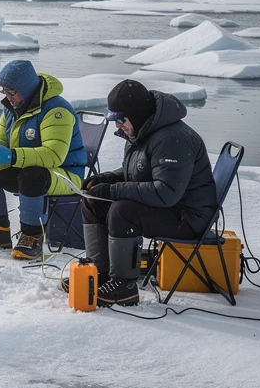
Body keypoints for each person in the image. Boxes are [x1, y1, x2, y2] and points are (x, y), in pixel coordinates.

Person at [80, 78, 217, 307]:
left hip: (189, 217)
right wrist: (106, 179)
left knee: (122, 211)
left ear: (137, 113)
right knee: (93, 201)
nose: (117, 125)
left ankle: (124, 286)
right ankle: (99, 273)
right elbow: (136, 172)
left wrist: (113, 190)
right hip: (170, 207)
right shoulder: (143, 130)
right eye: (113, 119)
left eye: (120, 119)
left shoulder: (172, 139)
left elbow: (165, 192)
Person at [0, 59, 87, 260]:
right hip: (26, 167)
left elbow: (53, 155)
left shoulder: (57, 110)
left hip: (65, 174)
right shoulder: (12, 108)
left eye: (11, 91)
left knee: (32, 176)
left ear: (26, 87)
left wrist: (12, 156)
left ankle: (32, 236)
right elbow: (0, 140)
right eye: (4, 91)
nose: (8, 97)